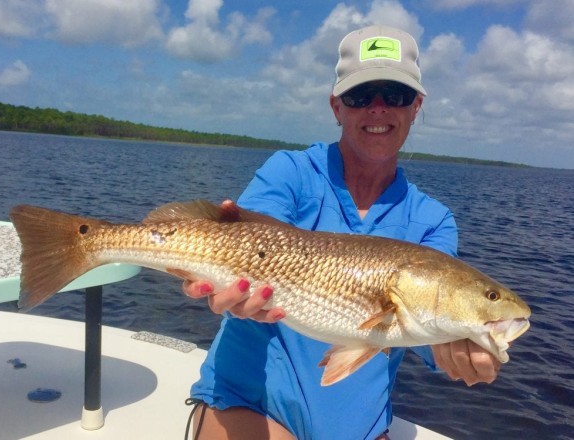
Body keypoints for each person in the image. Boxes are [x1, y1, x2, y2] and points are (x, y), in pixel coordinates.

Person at [183, 25, 501, 440]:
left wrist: (459, 349)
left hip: (361, 427)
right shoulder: (290, 172)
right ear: (336, 107)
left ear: (416, 106)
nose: (378, 109)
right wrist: (227, 289)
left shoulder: (434, 221)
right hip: (248, 401)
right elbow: (246, 247)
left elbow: (424, 330)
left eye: (396, 95)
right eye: (360, 96)